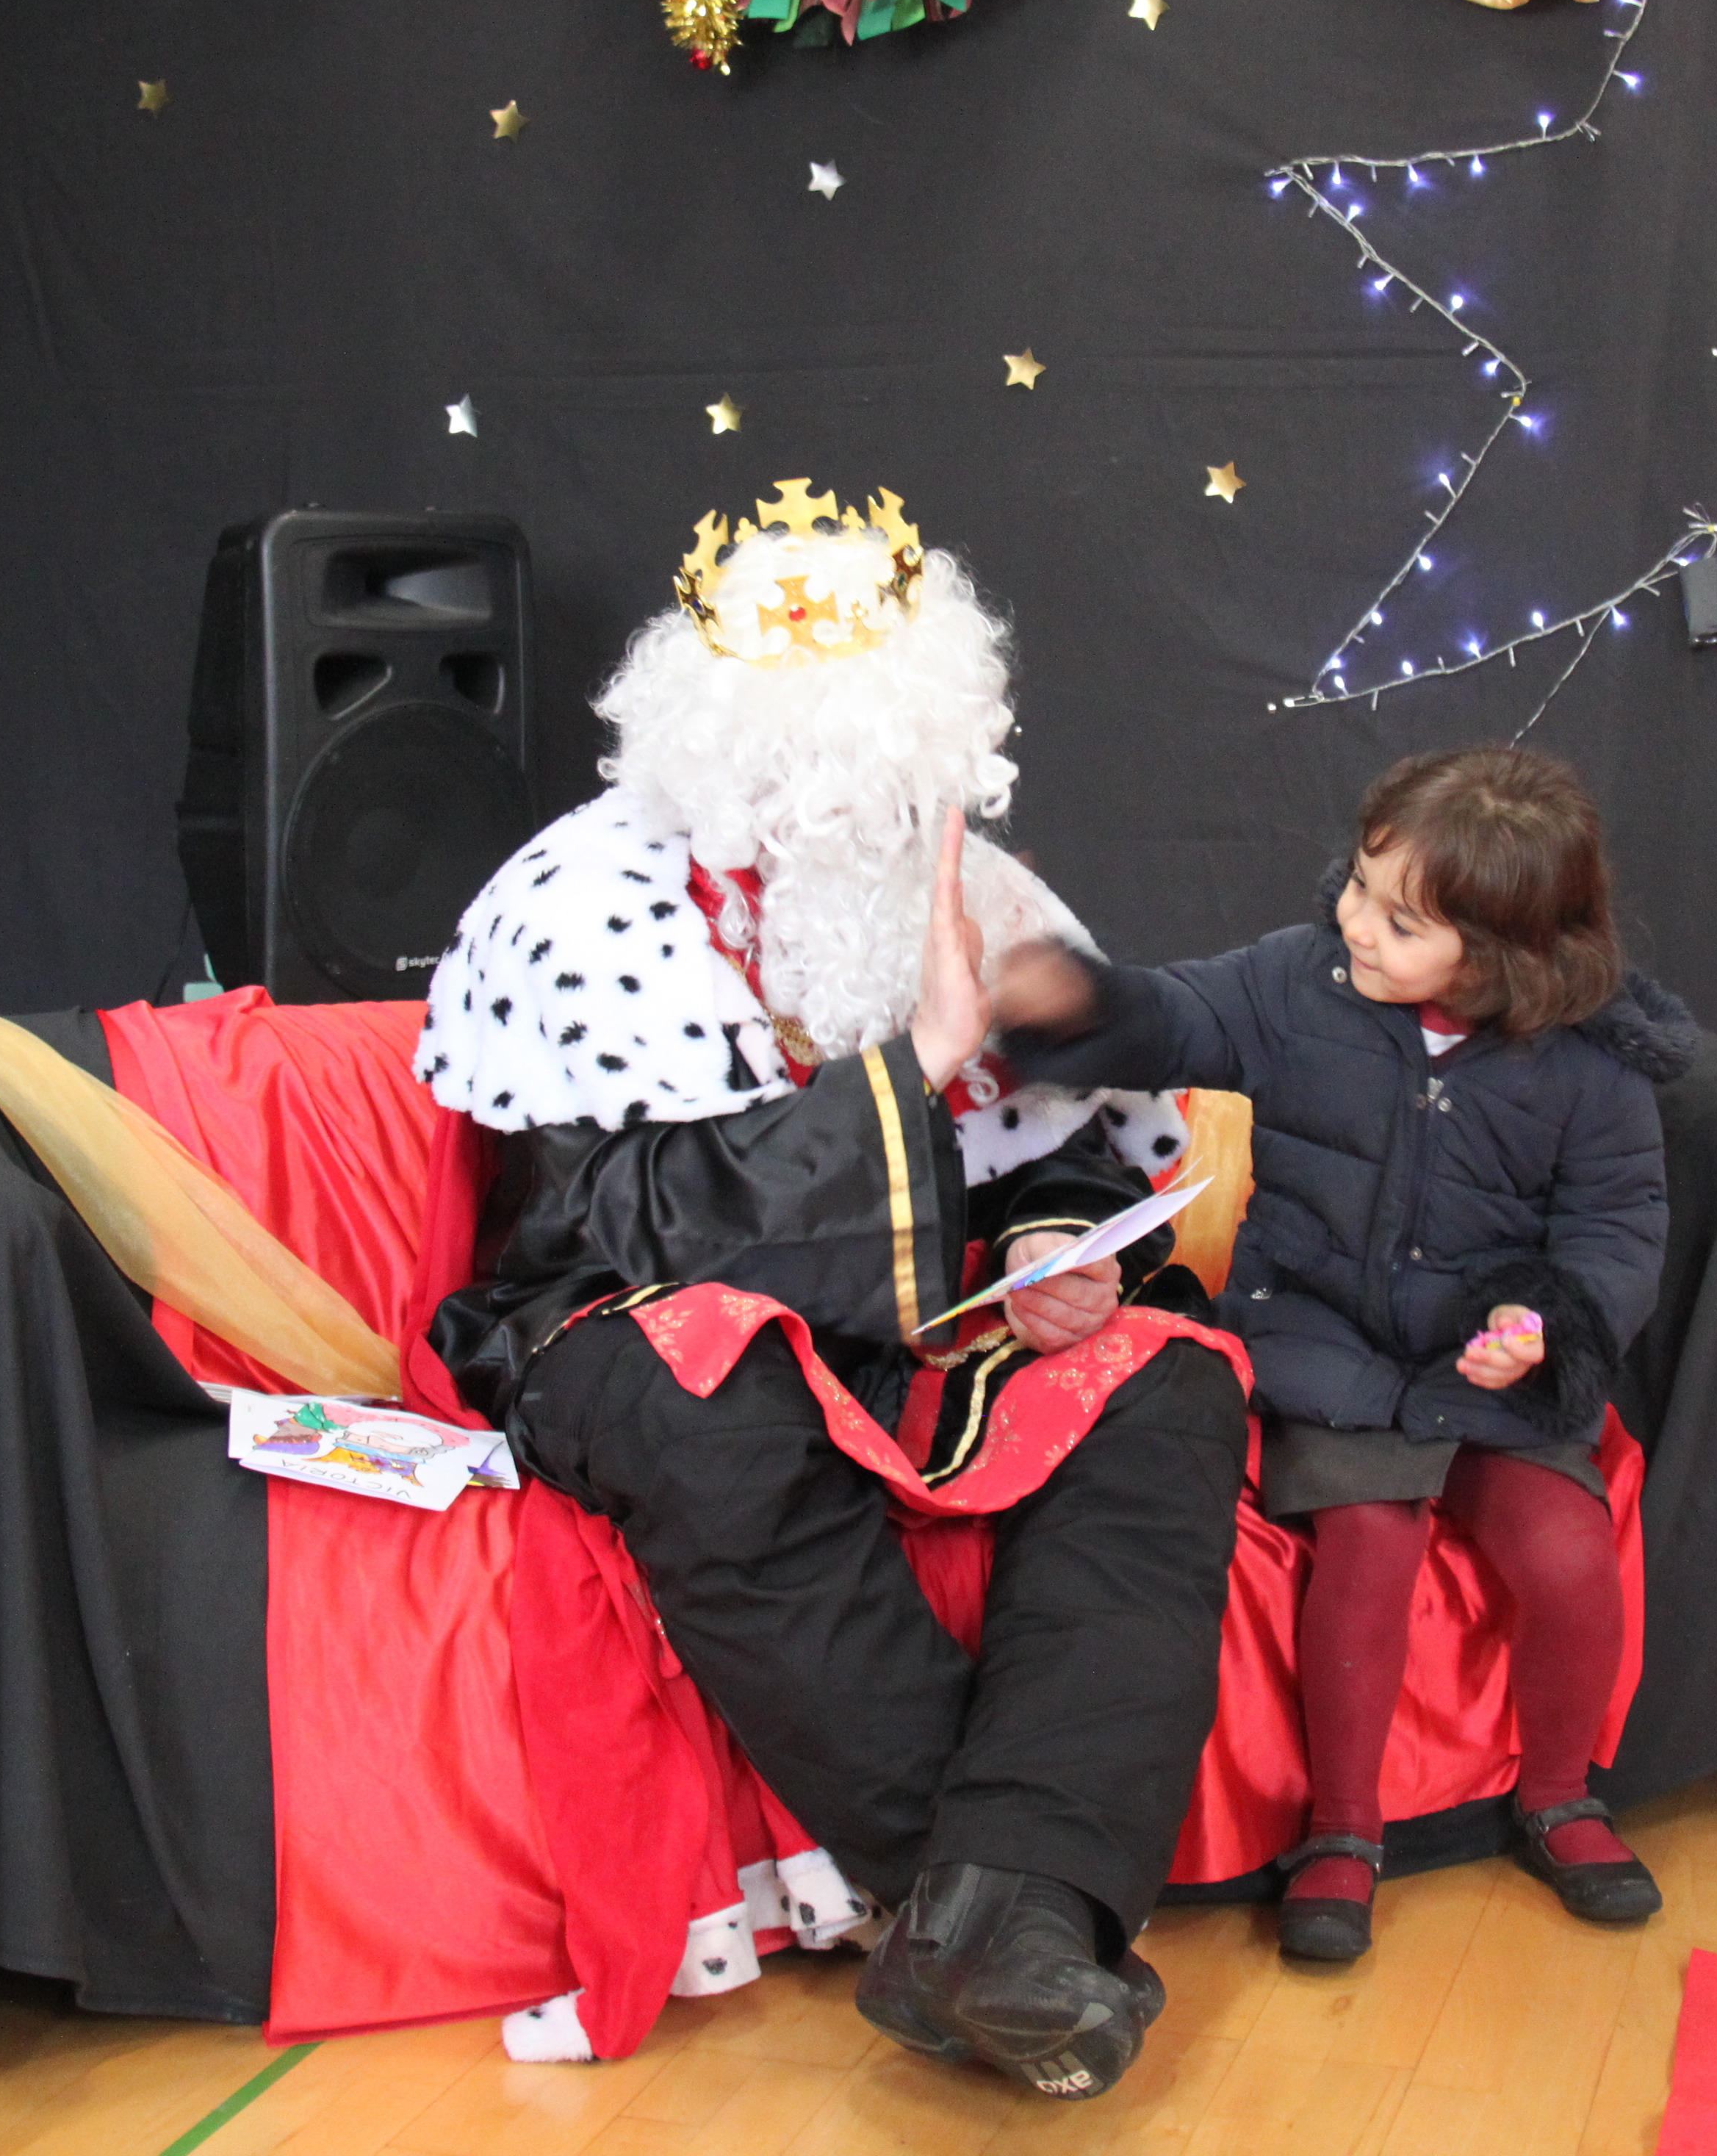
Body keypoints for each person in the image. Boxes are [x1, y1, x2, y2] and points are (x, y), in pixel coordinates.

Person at [411, 481, 1248, 2099]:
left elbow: (1063, 1149)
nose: (850, 811)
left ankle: (990, 1930)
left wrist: (1049, 1245)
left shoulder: (973, 892)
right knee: (709, 1382)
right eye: (807, 769)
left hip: (917, 1329)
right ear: (712, 747)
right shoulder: (583, 904)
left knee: (1171, 1375)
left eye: (883, 773)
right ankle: (1012, 1922)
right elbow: (646, 1221)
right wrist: (917, 1055)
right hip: (628, 1315)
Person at [991, 746, 1695, 1961]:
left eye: (1400, 920)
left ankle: (1562, 1793)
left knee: (1570, 1555)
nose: (1357, 924)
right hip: (1329, 1347)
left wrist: (1543, 1327)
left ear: (1508, 953)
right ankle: (1344, 1827)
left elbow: (1617, 1227)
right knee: (1365, 1546)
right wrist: (1080, 1004)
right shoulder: (1296, 981)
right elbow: (1180, 1014)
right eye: (1362, 886)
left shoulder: (1590, 1066)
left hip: (1491, 1367)